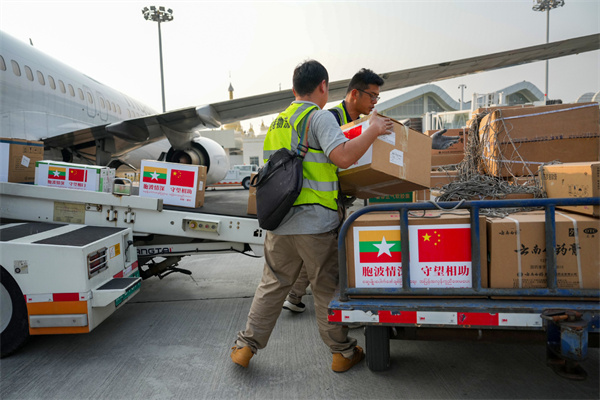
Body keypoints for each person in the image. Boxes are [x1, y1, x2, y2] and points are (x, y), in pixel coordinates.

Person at [230, 60, 394, 372]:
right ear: (323, 86)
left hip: (280, 221)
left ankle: (245, 346)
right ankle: (342, 352)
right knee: (325, 289)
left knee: (272, 285)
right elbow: (343, 157)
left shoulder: (278, 123)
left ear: (294, 89)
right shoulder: (319, 117)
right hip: (316, 224)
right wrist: (373, 130)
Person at [282, 68, 461, 313]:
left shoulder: (367, 123)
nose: (375, 101)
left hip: (339, 198)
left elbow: (392, 140)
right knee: (330, 256)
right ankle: (335, 310)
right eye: (372, 96)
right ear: (355, 94)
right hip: (324, 200)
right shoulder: (330, 119)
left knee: (319, 254)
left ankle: (295, 296)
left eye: (378, 97)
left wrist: (427, 144)